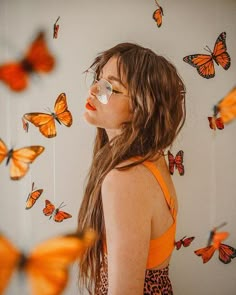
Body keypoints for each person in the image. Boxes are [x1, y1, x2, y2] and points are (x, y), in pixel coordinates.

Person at [77, 42, 186, 295]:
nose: (94, 89)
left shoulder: (125, 178)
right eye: (99, 79)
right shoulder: (151, 161)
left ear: (141, 109)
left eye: (110, 87)